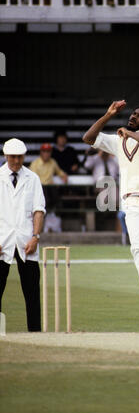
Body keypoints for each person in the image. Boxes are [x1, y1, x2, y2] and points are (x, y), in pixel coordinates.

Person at [82, 100, 139, 315]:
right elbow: (88, 138)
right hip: (132, 203)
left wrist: (129, 133)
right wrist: (108, 115)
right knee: (138, 248)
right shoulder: (117, 141)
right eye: (132, 114)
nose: (133, 117)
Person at [0, 138, 46, 332]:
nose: (17, 161)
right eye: (13, 157)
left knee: (32, 292)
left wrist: (35, 237)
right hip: (2, 240)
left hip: (27, 241)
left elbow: (39, 210)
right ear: (5, 156)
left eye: (19, 157)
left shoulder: (32, 178)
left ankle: (35, 334)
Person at [29, 143, 68, 211]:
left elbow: (59, 171)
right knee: (45, 193)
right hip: (40, 188)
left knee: (57, 194)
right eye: (44, 151)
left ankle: (53, 213)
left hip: (50, 188)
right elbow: (33, 179)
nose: (46, 154)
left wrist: (64, 175)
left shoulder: (53, 162)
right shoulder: (35, 163)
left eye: (48, 151)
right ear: (41, 152)